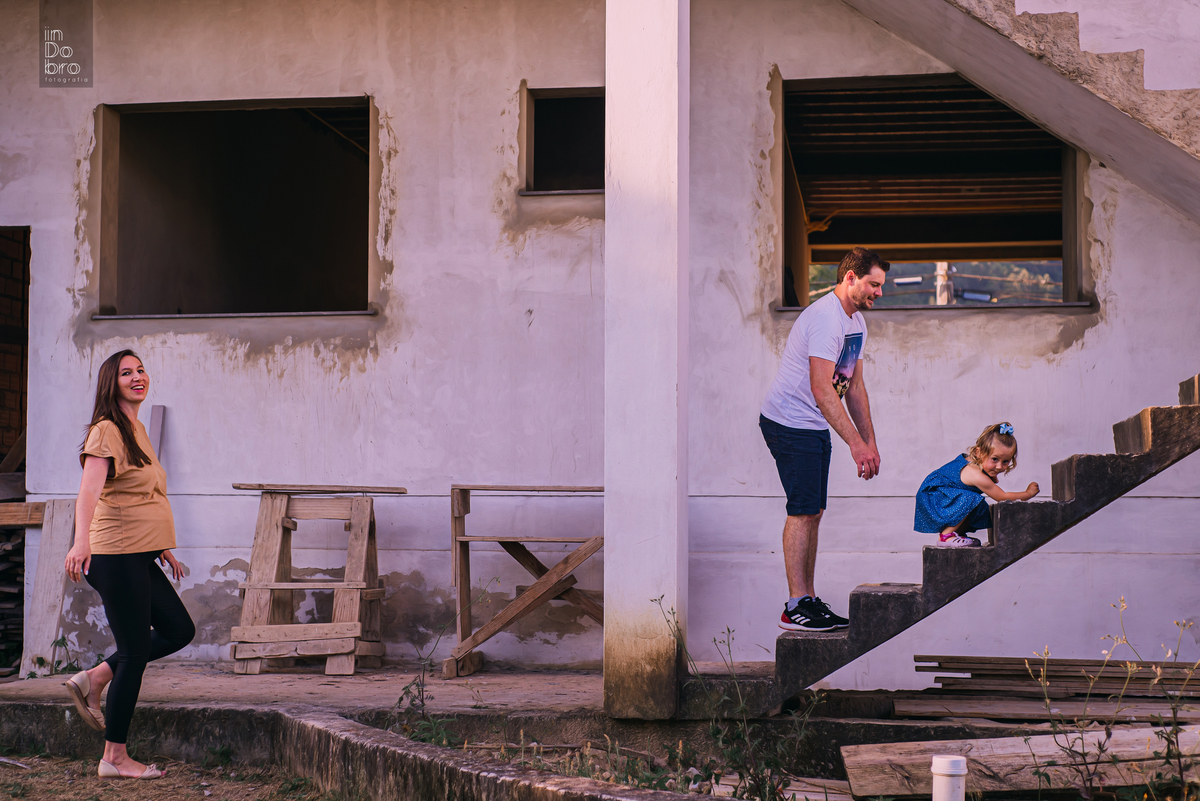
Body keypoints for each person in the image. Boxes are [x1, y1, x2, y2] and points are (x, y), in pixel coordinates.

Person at [63, 350, 195, 780]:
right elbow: (89, 493)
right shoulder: (106, 429)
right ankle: (114, 757)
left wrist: (162, 547)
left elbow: (140, 495)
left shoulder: (135, 428)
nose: (138, 377)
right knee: (135, 652)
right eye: (126, 373)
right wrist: (80, 541)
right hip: (113, 554)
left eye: (141, 370)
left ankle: (97, 676)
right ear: (112, 382)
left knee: (179, 629)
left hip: (138, 551)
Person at [760, 247, 888, 632]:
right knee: (802, 510)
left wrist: (869, 441)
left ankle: (809, 600)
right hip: (789, 421)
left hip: (813, 423)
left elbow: (854, 387)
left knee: (814, 511)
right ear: (850, 278)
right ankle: (795, 606)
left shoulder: (856, 323)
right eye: (873, 284)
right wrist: (855, 445)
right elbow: (822, 388)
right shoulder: (825, 319)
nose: (879, 292)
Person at [914, 422, 1040, 547]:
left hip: (939, 497)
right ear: (979, 453)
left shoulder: (977, 462)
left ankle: (957, 534)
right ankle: (946, 537)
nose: (999, 466)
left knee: (979, 506)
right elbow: (1002, 496)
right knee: (971, 499)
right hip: (932, 498)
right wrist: (1028, 493)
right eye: (995, 459)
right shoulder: (975, 474)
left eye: (1005, 461)